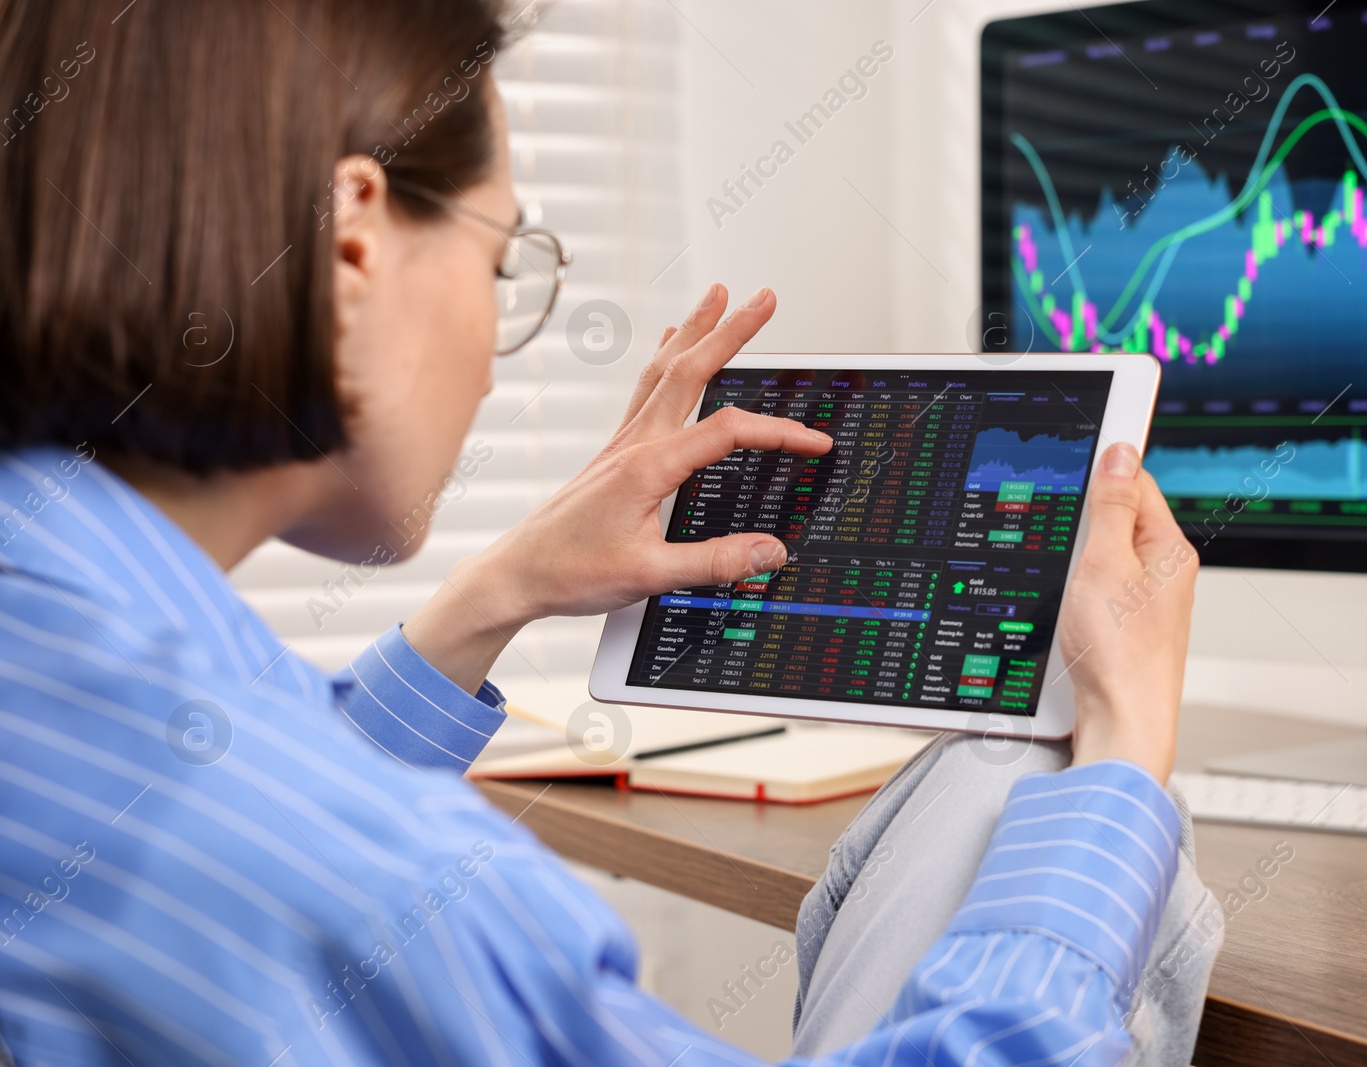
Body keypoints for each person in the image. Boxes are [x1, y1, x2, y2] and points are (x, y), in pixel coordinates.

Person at [0, 1, 1215, 1064]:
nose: (489, 355)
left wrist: (502, 585)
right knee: (1025, 771)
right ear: (353, 242)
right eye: (503, 262)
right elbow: (290, 840)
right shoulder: (380, 881)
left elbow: (259, 790)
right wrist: (1119, 747)